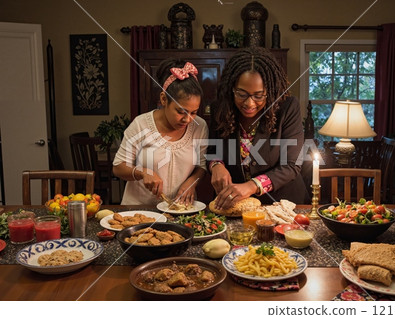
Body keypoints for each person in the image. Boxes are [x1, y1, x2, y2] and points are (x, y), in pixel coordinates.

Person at [208, 47, 308, 210]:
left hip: (281, 204)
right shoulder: (220, 108)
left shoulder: (287, 108)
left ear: (270, 92)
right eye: (241, 94)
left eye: (258, 95)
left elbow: (291, 165)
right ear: (231, 88)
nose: (249, 103)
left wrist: (251, 185)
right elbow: (213, 149)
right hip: (234, 205)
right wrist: (216, 165)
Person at [113, 59, 208, 205]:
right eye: (181, 111)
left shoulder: (199, 126)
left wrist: (191, 183)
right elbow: (118, 167)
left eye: (193, 112)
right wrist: (143, 172)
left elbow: (201, 166)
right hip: (139, 210)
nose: (188, 119)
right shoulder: (141, 125)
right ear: (164, 99)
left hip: (180, 209)